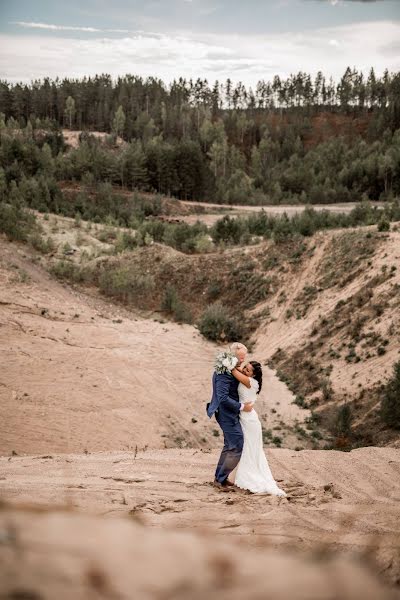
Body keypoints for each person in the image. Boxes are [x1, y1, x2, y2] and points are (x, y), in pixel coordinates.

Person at [232, 361, 286, 496]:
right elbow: (238, 370)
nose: (245, 370)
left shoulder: (251, 382)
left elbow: (234, 371)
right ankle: (241, 475)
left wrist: (228, 363)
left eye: (248, 370)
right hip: (244, 417)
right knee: (248, 448)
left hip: (249, 421)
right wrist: (239, 367)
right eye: (245, 367)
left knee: (249, 448)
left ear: (254, 375)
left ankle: (246, 476)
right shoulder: (247, 378)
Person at [207, 342, 253, 489]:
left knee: (229, 446)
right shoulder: (223, 372)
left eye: (243, 358)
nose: (242, 361)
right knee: (237, 444)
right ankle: (220, 479)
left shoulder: (230, 368)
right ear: (232, 356)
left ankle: (220, 478)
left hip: (230, 413)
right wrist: (242, 407)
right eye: (240, 358)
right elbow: (222, 397)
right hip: (225, 412)